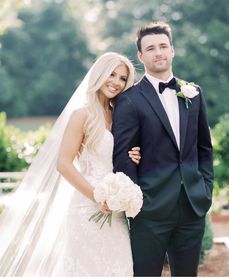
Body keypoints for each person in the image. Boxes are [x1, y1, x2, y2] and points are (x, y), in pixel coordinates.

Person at [0, 52, 140, 276]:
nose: (116, 82)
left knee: (120, 268)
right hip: (87, 206)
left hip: (117, 207)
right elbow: (63, 164)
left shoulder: (122, 115)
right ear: (99, 75)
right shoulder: (82, 115)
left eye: (123, 78)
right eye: (111, 74)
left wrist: (135, 156)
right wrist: (96, 195)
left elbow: (121, 156)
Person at [112, 22, 214, 276]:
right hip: (149, 210)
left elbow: (204, 148)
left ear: (172, 50)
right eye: (151, 48)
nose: (158, 52)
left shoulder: (194, 93)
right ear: (141, 56)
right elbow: (122, 156)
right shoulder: (128, 100)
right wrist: (138, 203)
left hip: (192, 207)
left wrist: (206, 189)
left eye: (163, 46)